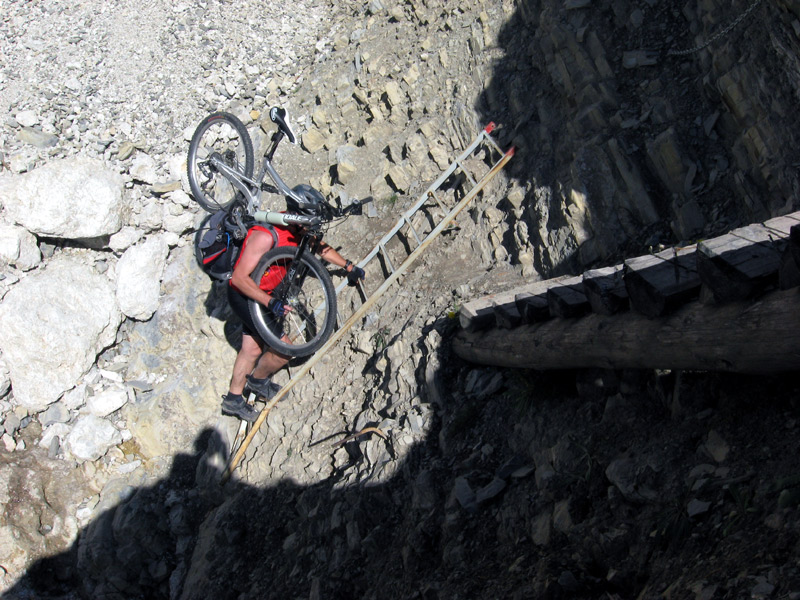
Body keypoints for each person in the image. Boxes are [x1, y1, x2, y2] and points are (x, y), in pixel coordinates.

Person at [221, 194, 365, 422]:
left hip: (265, 297)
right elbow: (238, 279)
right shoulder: (267, 236)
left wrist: (349, 266)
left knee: (251, 350)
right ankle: (257, 381)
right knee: (284, 350)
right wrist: (270, 303)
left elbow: (321, 248)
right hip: (245, 295)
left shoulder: (301, 233)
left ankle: (233, 399)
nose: (313, 228)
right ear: (296, 216)